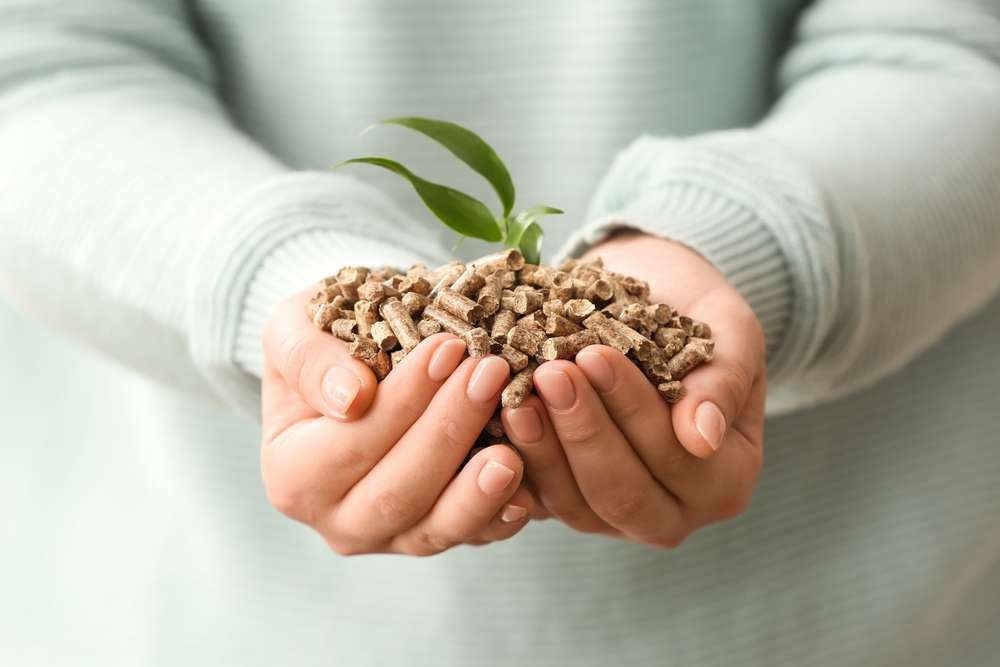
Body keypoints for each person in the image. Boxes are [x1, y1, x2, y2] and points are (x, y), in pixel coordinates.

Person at [1, 1, 999, 665]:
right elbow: (33, 66)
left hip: (861, 618)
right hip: (191, 613)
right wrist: (281, 277)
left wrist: (747, 248)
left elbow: (959, 43)